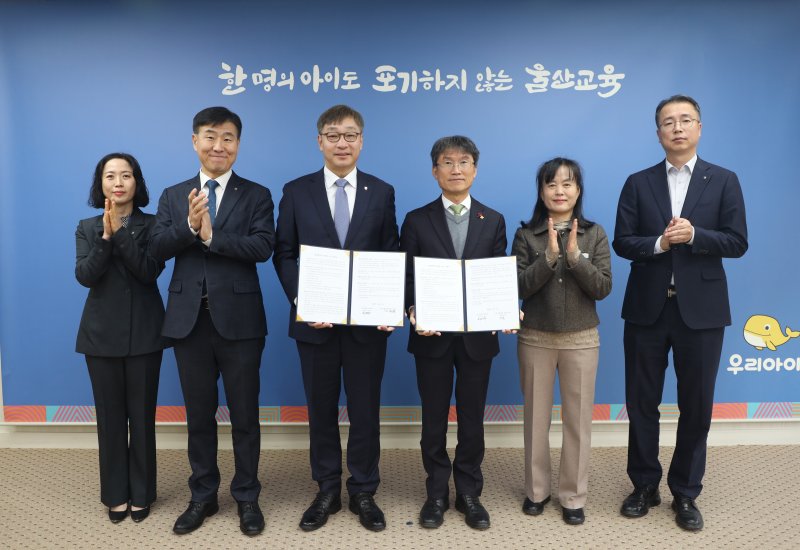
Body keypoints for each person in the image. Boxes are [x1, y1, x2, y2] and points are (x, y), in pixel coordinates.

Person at [613, 95, 747, 531]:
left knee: (697, 406)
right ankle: (644, 485)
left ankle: (686, 492)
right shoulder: (638, 182)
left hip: (702, 312)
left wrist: (696, 235)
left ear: (699, 128)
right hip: (647, 309)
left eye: (685, 120)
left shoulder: (723, 180)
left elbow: (737, 242)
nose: (677, 127)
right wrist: (660, 243)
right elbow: (622, 241)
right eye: (668, 122)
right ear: (658, 133)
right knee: (641, 403)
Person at [150, 106, 275, 536]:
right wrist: (189, 226)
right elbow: (157, 248)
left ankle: (247, 496)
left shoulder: (256, 194)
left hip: (241, 322)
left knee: (245, 416)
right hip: (189, 323)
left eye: (227, 138)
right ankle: (202, 495)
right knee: (198, 416)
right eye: (210, 136)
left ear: (238, 144)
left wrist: (212, 237)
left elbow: (263, 247)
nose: (218, 145)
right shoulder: (173, 195)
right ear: (194, 141)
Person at [274, 105, 399, 533]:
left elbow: (389, 252)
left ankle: (363, 489)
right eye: (333, 135)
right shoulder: (296, 191)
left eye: (350, 135)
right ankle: (326, 488)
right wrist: (302, 300)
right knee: (321, 410)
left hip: (367, 326)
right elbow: (284, 253)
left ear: (361, 141)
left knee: (365, 411)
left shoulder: (381, 191)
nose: (341, 143)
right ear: (319, 142)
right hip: (314, 326)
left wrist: (389, 304)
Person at [400, 136, 507, 530]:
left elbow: (496, 275)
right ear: (435, 171)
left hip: (478, 338)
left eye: (464, 162)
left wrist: (504, 308)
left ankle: (468, 492)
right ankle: (436, 493)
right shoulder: (416, 219)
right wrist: (412, 309)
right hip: (432, 336)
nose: (456, 169)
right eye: (447, 162)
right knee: (433, 418)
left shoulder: (493, 219)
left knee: (472, 419)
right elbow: (406, 276)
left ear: (474, 170)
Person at [512, 158, 611, 526]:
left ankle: (573, 496)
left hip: (582, 339)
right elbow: (518, 287)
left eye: (567, 184)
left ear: (578, 191)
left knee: (578, 421)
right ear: (541, 192)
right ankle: (536, 492)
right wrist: (549, 258)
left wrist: (573, 258)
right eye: (551, 184)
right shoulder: (526, 235)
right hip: (536, 337)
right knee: (536, 420)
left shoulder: (595, 234)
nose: (559, 191)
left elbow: (602, 287)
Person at [75, 152, 168, 524]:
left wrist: (122, 233)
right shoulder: (86, 226)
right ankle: (115, 494)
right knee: (110, 420)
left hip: (145, 333)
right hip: (100, 336)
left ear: (136, 182)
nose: (118, 182)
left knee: (142, 418)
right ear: (100, 184)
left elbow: (148, 272)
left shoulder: (155, 224)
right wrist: (105, 236)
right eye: (110, 175)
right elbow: (86, 276)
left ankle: (142, 493)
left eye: (126, 175)